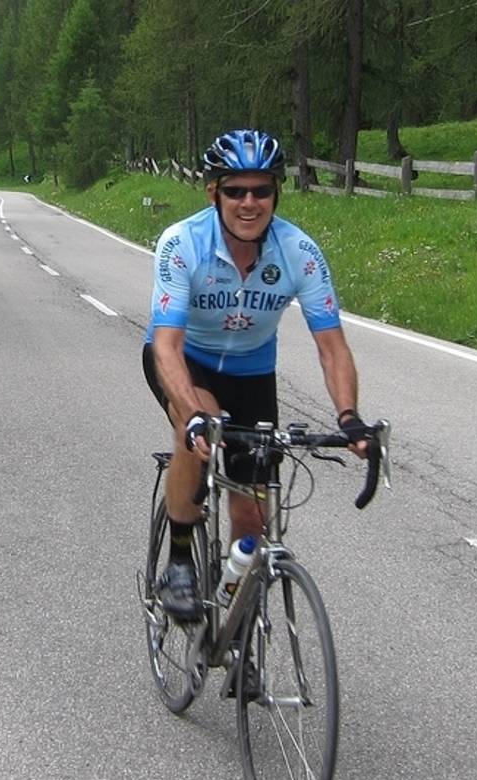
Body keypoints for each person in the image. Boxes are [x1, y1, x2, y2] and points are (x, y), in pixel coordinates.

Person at [143, 129, 370, 622]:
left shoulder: (299, 251)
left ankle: (239, 624)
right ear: (213, 193)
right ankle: (180, 559)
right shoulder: (182, 242)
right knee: (196, 428)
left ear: (276, 193)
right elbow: (167, 343)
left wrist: (349, 416)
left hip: (252, 374)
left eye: (261, 190)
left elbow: (332, 347)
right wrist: (193, 415)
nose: (249, 203)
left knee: (252, 519)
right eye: (235, 190)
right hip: (188, 361)